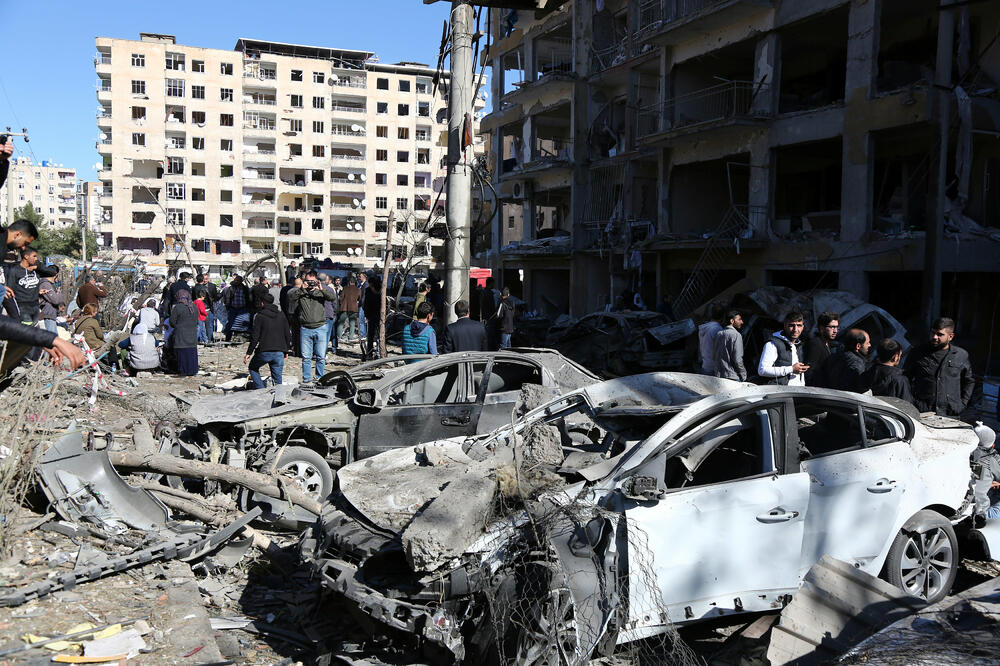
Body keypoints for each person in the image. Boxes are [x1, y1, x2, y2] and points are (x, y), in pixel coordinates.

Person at [904, 317, 975, 416]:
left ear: (951, 336)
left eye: (940, 334)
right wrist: (912, 402)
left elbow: (969, 381)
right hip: (923, 412)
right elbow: (905, 379)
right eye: (932, 333)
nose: (934, 337)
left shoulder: (961, 355)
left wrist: (962, 404)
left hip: (950, 414)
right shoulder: (917, 352)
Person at [290, 274, 337, 383]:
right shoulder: (301, 293)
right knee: (306, 358)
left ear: (317, 281)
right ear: (304, 281)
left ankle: (319, 378)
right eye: (308, 281)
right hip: (305, 328)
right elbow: (291, 299)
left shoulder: (320, 292)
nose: (310, 284)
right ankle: (307, 379)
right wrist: (302, 289)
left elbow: (332, 297)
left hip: (320, 327)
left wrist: (321, 289)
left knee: (321, 357)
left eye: (312, 281)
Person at [244, 293, 291, 389]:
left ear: (262, 303)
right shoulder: (281, 315)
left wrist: (249, 352)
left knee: (253, 368)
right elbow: (287, 334)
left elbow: (255, 336)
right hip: (279, 351)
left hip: (264, 351)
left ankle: (260, 390)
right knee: (278, 380)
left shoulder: (259, 316)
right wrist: (286, 350)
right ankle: (279, 397)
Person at [758, 311, 809, 386]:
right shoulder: (772, 344)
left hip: (797, 393)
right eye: (791, 325)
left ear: (803, 327)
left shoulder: (799, 345)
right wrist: (791, 369)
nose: (795, 329)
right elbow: (762, 370)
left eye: (799, 325)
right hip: (779, 393)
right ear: (785, 325)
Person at [862, 338, 913, 402]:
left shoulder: (866, 373)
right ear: (895, 357)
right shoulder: (900, 379)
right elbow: (907, 405)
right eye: (900, 355)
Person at [822, 328, 870, 393]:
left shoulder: (833, 356)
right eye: (867, 343)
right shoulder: (857, 363)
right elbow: (856, 388)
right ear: (858, 346)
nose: (869, 345)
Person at [804, 311, 840, 387]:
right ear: (822, 328)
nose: (835, 331)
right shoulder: (815, 344)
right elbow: (808, 372)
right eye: (832, 327)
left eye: (837, 327)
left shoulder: (827, 344)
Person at [170, 289, 199, 376]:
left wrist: (178, 326)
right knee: (191, 353)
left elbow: (172, 322)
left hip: (181, 335)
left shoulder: (178, 307)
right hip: (192, 334)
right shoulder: (194, 307)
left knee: (182, 354)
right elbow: (196, 320)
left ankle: (183, 371)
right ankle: (192, 370)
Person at [713, 309, 746, 382]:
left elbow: (715, 355)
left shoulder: (719, 334)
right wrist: (743, 374)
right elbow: (738, 359)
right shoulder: (736, 335)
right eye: (739, 319)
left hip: (719, 376)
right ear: (732, 321)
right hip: (733, 376)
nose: (742, 322)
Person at [697, 304, 724, 375]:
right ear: (722, 317)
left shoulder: (704, 328)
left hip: (705, 366)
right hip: (714, 369)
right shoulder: (717, 329)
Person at [361, 275, 383, 360]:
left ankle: (377, 352)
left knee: (377, 335)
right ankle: (370, 353)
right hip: (372, 315)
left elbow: (365, 303)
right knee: (371, 335)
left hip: (377, 315)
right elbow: (365, 304)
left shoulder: (380, 291)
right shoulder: (369, 291)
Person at [192, 274, 218, 343]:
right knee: (208, 325)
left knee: (200, 326)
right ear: (203, 280)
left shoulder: (194, 288)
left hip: (197, 308)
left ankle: (201, 339)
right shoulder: (204, 289)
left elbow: (193, 298)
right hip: (206, 308)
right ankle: (208, 339)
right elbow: (210, 299)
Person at [223, 275, 250, 341]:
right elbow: (227, 298)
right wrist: (227, 306)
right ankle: (228, 339)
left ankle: (239, 338)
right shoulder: (231, 288)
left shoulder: (245, 288)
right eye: (235, 280)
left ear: (241, 281)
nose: (236, 282)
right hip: (233, 308)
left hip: (242, 309)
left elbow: (248, 298)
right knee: (230, 324)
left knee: (241, 324)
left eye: (238, 280)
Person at [337, 276, 362, 343]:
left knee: (341, 323)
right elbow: (359, 299)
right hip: (354, 308)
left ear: (349, 282)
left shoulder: (345, 288)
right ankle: (351, 337)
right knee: (352, 323)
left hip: (345, 307)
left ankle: (338, 336)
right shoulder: (358, 290)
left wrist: (341, 303)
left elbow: (341, 298)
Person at [321, 273, 340, 356]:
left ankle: (318, 352)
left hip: (319, 315)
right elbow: (334, 302)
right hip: (329, 314)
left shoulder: (315, 289)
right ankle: (323, 353)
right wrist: (335, 312)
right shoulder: (330, 289)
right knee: (327, 335)